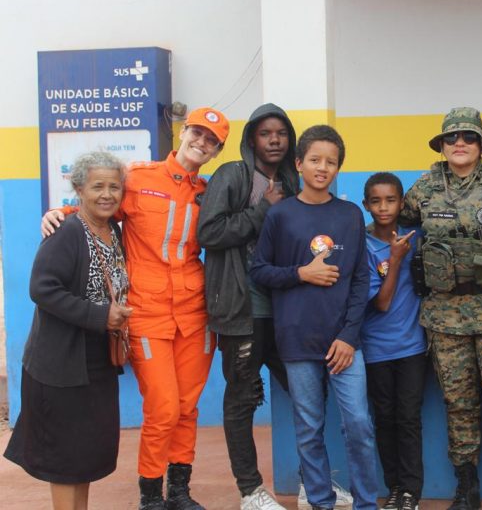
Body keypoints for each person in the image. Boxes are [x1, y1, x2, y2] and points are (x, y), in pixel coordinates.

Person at [41, 107, 231, 510]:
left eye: (211, 140)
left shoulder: (210, 192)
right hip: (146, 311)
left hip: (196, 315)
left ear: (217, 150)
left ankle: (179, 491)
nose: (201, 142)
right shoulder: (139, 178)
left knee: (186, 408)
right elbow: (102, 206)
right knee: (162, 406)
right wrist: (63, 212)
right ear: (183, 132)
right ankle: (150, 494)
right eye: (197, 132)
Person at [400, 107, 482, 510]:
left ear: (481, 144)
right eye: (452, 138)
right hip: (445, 316)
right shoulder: (424, 188)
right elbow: (400, 224)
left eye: (469, 137)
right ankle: (466, 488)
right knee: (458, 405)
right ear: (441, 146)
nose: (460, 143)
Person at [250, 125, 378, 510]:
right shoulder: (282, 215)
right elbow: (259, 271)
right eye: (315, 160)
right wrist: (301, 273)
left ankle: (366, 503)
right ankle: (320, 501)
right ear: (299, 163)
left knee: (358, 424)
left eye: (332, 162)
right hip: (296, 339)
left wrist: (349, 336)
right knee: (309, 428)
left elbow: (360, 280)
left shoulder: (350, 215)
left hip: (344, 343)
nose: (323, 168)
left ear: (339, 168)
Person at [5, 151, 130, 510]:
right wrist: (99, 315)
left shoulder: (114, 231)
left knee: (83, 456)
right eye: (97, 187)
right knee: (64, 461)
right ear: (78, 189)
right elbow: (42, 289)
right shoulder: (66, 231)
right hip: (60, 365)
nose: (107, 194)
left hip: (96, 363)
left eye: (114, 187)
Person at [196, 103, 298, 510]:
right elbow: (209, 232)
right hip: (242, 310)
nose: (274, 140)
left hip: (287, 310)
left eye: (281, 133)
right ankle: (250, 491)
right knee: (241, 400)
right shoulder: (233, 175)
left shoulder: (293, 180)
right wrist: (261, 209)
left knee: (306, 390)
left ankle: (313, 480)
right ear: (251, 139)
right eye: (265, 133)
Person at [360, 172, 425, 510]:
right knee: (384, 418)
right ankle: (395, 488)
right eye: (376, 201)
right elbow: (382, 303)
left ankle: (412, 490)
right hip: (375, 349)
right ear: (366, 205)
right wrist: (395, 259)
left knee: (408, 417)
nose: (383, 207)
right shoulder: (365, 246)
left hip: (413, 347)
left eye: (390, 200)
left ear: (402, 203)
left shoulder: (418, 237)